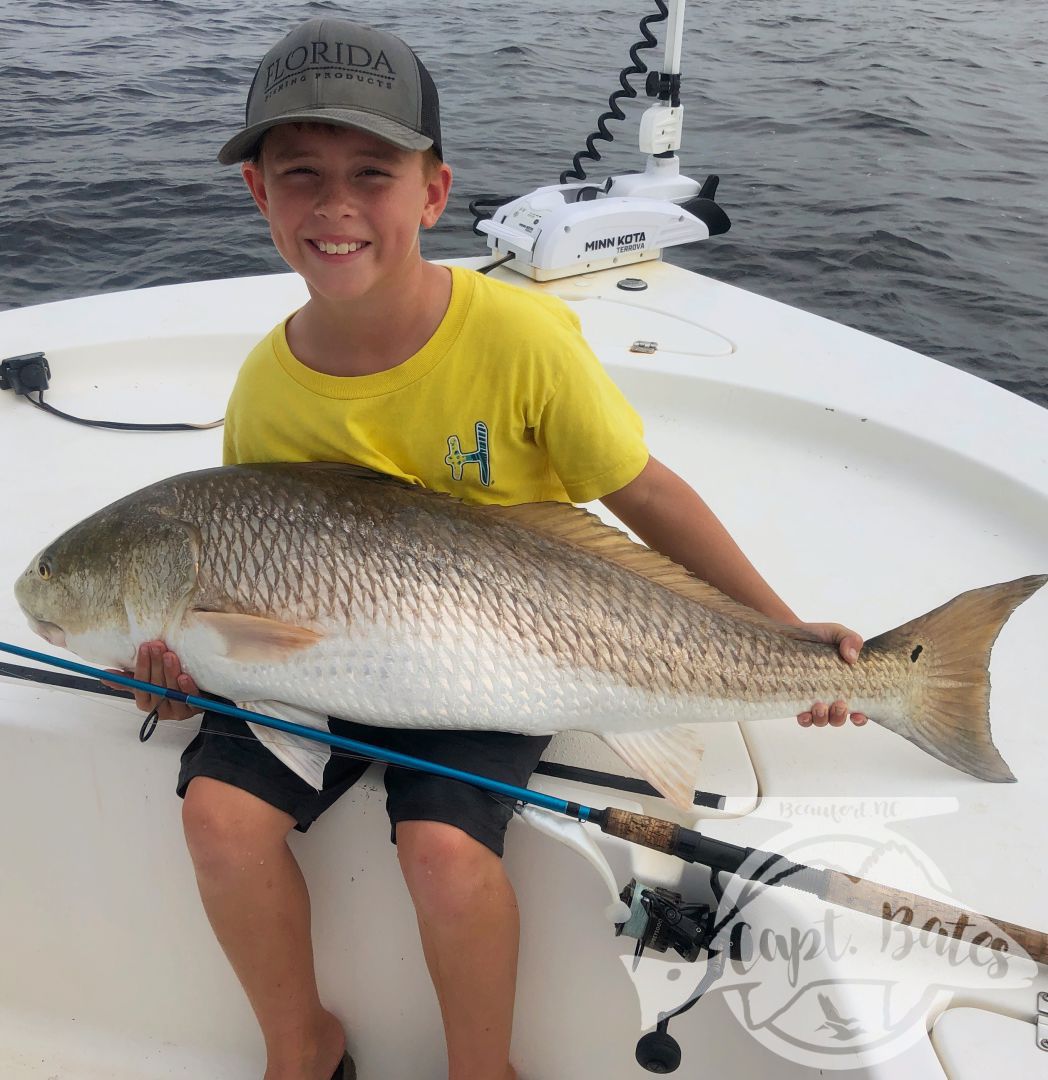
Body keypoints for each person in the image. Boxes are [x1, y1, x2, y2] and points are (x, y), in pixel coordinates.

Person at [122, 17, 867, 1080]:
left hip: (502, 651)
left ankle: (485, 1066)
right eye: (299, 174)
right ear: (260, 195)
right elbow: (247, 569)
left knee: (442, 848)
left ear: (433, 192)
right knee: (219, 818)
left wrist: (779, 630)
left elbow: (642, 488)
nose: (335, 207)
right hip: (313, 660)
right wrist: (178, 677)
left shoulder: (517, 340)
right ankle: (301, 1043)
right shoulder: (265, 386)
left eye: (372, 173)